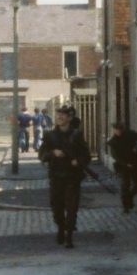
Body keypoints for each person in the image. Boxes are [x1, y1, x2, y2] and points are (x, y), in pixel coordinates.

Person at [38, 105, 91, 248]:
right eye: (58, 116)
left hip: (72, 177)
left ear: (69, 118)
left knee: (72, 207)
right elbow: (42, 155)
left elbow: (86, 155)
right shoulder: (50, 135)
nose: (59, 118)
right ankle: (61, 228)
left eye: (63, 116)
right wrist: (52, 153)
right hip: (56, 176)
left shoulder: (77, 135)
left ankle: (69, 237)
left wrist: (78, 161)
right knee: (56, 207)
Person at [106, 121, 137, 213]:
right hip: (123, 166)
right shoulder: (113, 142)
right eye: (117, 130)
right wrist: (126, 164)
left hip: (135, 163)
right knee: (125, 185)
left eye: (120, 129)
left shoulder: (130, 134)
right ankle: (126, 206)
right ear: (114, 130)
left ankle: (129, 197)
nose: (119, 131)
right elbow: (115, 156)